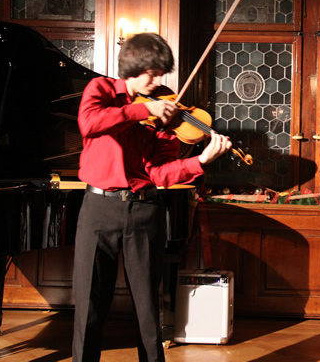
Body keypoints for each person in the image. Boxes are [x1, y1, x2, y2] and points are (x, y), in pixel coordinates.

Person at [72, 32, 232, 362]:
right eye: (153, 74)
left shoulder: (162, 116)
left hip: (143, 210)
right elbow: (89, 124)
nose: (159, 82)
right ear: (134, 66)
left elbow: (158, 173)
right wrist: (141, 109)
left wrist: (201, 161)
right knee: (89, 304)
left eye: (162, 75)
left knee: (147, 308)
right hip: (98, 209)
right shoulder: (101, 90)